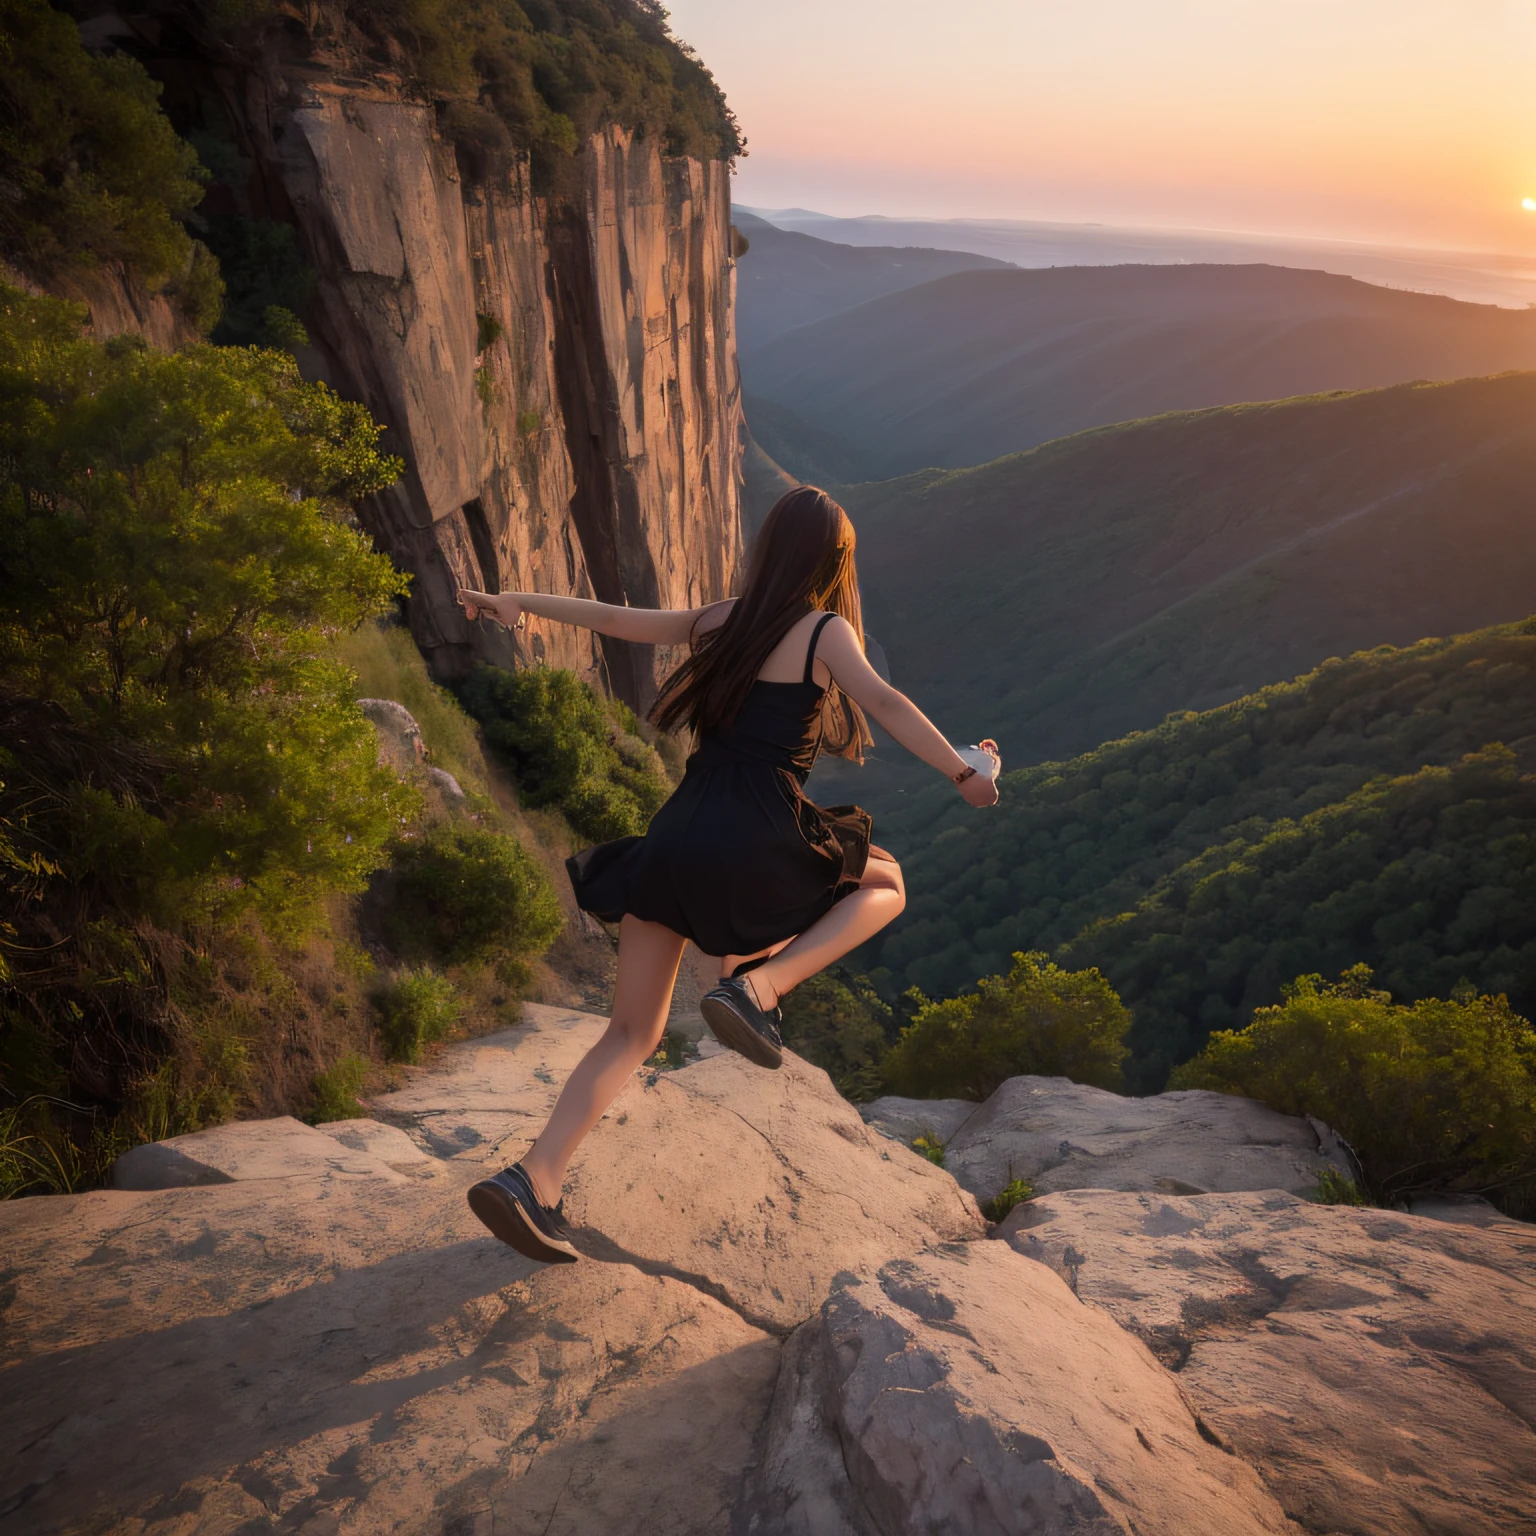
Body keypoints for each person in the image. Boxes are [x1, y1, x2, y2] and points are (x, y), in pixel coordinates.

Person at [455, 486, 998, 1263]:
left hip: (678, 832)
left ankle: (532, 1180)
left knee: (630, 1032)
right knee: (888, 883)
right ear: (833, 561)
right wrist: (965, 773)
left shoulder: (718, 618)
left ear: (769, 545)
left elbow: (611, 618)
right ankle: (758, 990)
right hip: (756, 828)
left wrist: (515, 601)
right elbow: (883, 698)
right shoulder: (823, 630)